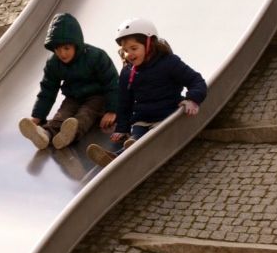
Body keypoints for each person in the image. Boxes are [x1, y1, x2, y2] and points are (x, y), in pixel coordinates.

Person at [87, 17, 207, 168]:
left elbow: (196, 81)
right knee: (136, 136)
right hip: (142, 119)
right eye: (125, 50)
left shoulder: (169, 63)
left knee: (147, 140)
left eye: (134, 48)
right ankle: (117, 156)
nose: (129, 54)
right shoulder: (127, 72)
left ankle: (128, 151)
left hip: (166, 116)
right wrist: (122, 128)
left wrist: (192, 99)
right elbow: (125, 102)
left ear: (149, 44)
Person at [19, 12, 119, 151]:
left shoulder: (96, 56)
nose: (62, 54)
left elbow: (112, 82)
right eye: (58, 49)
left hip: (97, 96)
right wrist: (37, 117)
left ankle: (71, 134)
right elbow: (48, 89)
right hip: (73, 97)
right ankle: (45, 135)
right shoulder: (54, 63)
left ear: (76, 45)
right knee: (62, 115)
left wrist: (112, 110)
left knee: (85, 114)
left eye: (66, 48)